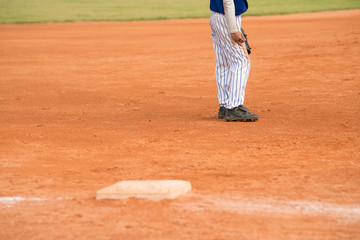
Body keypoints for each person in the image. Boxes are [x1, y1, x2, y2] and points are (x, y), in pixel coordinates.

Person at [210, 0, 259, 122]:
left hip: (218, 17)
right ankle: (234, 107)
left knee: (224, 62)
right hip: (228, 18)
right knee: (241, 61)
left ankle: (225, 105)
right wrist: (233, 29)